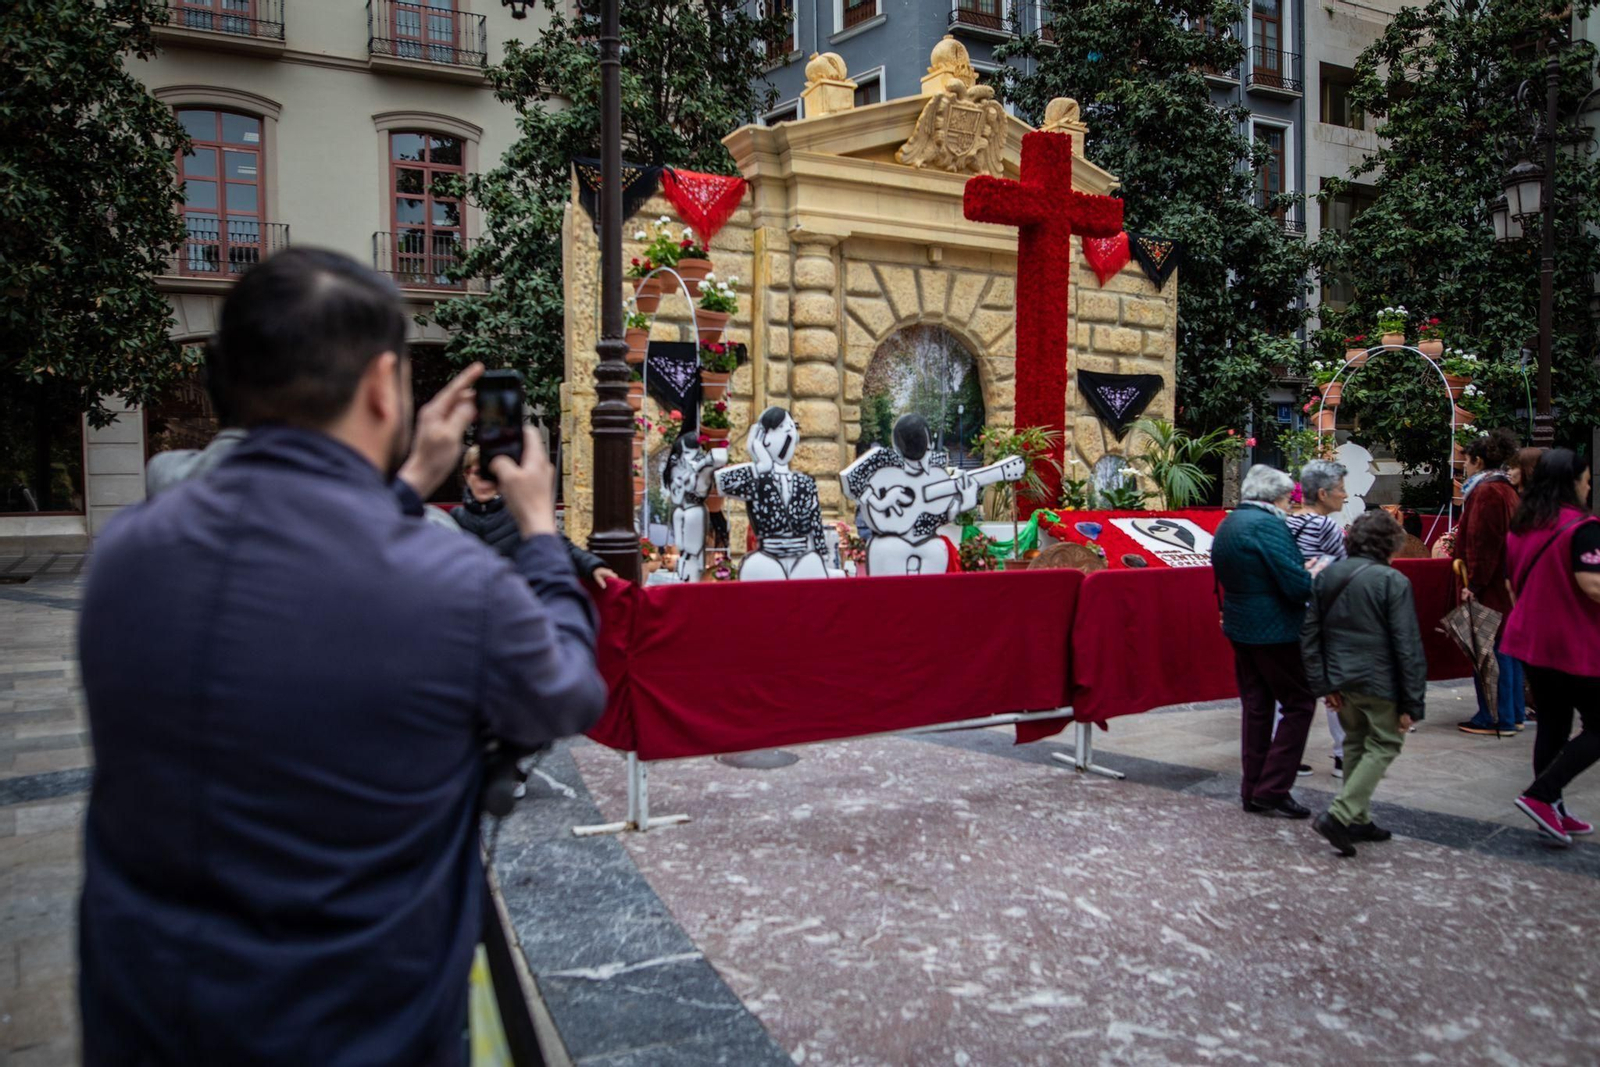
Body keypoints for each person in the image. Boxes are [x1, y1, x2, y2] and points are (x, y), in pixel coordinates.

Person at [77, 248, 608, 1064]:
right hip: (360, 1023)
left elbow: (307, 560)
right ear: (381, 386)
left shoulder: (126, 555)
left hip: (147, 1019)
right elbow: (567, 691)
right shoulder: (448, 582)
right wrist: (539, 531)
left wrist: (407, 480)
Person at [1301, 511, 1427, 856]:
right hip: (1379, 680)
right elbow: (1407, 643)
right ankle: (1341, 815)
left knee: (1355, 742)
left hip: (1341, 680)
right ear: (1391, 544)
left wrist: (1324, 684)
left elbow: (1310, 634)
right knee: (1386, 743)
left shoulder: (1327, 575)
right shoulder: (1392, 581)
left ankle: (1359, 818)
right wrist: (1412, 701)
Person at [1213, 464, 1322, 819]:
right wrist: (1312, 573)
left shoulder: (1230, 522)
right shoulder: (1268, 525)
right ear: (1274, 498)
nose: (1290, 505)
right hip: (1273, 628)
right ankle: (1272, 789)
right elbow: (1296, 585)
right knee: (1300, 703)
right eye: (1288, 499)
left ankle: (1253, 790)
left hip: (1240, 625)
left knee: (1257, 706)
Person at [1502, 449, 1600, 846]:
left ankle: (1551, 808)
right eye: (1586, 481)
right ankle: (1541, 795)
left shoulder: (1522, 526)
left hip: (1531, 639)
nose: (1589, 487)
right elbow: (1593, 584)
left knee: (1553, 725)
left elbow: (1512, 586)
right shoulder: (1583, 527)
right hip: (1573, 642)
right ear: (1572, 483)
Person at [453, 444, 617, 586]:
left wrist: (594, 566)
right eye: (478, 473)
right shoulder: (454, 519)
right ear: (467, 476)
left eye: (490, 475)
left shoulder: (520, 514)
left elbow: (556, 544)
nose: (484, 482)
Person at [1452, 428, 1523, 736]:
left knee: (1489, 650)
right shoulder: (1505, 489)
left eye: (1466, 462)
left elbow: (1484, 544)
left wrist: (1474, 584)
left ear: (1478, 461)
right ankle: (1512, 714)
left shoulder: (1487, 492)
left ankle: (1495, 717)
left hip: (1490, 585)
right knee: (1503, 648)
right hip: (1503, 582)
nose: (1464, 468)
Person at [1287, 459, 1349, 777]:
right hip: (1322, 615)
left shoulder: (1286, 523)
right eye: (1340, 489)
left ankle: (1285, 754)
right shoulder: (1327, 527)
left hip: (1290, 614)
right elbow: (1344, 571)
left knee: (1289, 687)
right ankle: (1343, 756)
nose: (1345, 495)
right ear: (1323, 494)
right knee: (1335, 683)